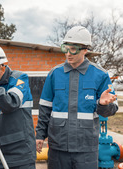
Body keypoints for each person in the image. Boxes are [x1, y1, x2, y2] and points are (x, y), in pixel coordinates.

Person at [35, 26, 118, 169]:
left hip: (86, 149)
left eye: (73, 49)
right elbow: (45, 108)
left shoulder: (101, 75)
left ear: (85, 49)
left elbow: (111, 110)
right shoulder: (54, 74)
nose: (68, 53)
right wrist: (40, 135)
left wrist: (103, 105)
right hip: (57, 147)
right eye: (65, 48)